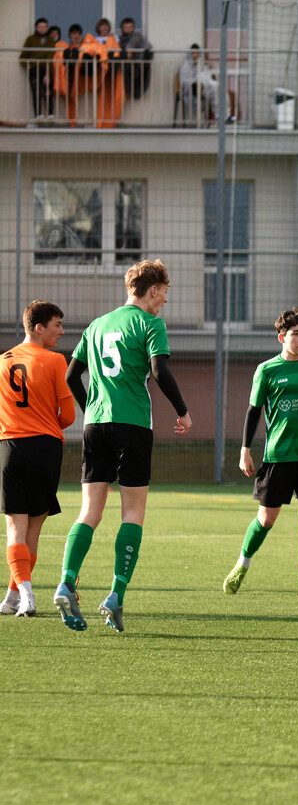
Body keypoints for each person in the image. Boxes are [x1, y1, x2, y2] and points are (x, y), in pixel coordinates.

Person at [54, 260, 192, 633]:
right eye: (164, 291)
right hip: (132, 426)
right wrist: (182, 411)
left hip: (95, 426)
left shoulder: (97, 325)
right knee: (132, 511)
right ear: (151, 290)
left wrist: (93, 411)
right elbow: (160, 371)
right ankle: (115, 595)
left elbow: (71, 375)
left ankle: (67, 581)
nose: (165, 299)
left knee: (89, 511)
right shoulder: (150, 324)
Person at [223, 306, 298, 597]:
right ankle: (242, 565)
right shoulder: (267, 370)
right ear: (281, 337)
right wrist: (245, 450)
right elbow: (253, 411)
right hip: (278, 457)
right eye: (296, 334)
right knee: (266, 520)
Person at [0, 302, 76, 618]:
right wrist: (44, 426)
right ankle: (25, 596)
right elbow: (69, 415)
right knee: (33, 530)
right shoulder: (56, 361)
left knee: (15, 528)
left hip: (8, 447)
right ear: (38, 328)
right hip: (45, 449)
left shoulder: (2, 361)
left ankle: (14, 596)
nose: (61, 330)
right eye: (57, 324)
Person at [179, 45, 232, 124]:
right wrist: (197, 84)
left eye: (197, 53)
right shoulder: (185, 67)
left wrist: (203, 83)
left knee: (220, 88)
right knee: (215, 89)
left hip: (206, 89)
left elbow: (207, 77)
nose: (195, 55)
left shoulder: (203, 66)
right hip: (193, 94)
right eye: (193, 53)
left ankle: (225, 115)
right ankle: (221, 116)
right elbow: (185, 83)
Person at [19, 17, 56, 120]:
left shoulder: (50, 40)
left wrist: (48, 74)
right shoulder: (30, 39)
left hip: (46, 68)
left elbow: (50, 56)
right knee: (36, 91)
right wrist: (28, 66)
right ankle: (38, 115)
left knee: (48, 91)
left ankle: (50, 114)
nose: (42, 29)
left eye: (44, 27)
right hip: (34, 69)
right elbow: (22, 57)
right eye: (40, 27)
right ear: (36, 28)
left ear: (47, 28)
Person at [93, 18, 124, 127]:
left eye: (106, 25)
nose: (104, 28)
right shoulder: (95, 39)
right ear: (98, 27)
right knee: (102, 97)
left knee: (115, 96)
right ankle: (102, 122)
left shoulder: (113, 38)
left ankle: (111, 122)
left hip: (113, 70)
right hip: (101, 70)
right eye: (102, 26)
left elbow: (118, 50)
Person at [118, 17, 153, 99]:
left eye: (130, 27)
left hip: (139, 65)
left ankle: (145, 60)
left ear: (133, 28)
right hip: (128, 67)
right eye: (126, 27)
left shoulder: (137, 36)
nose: (128, 29)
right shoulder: (119, 40)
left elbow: (135, 42)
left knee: (147, 46)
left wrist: (129, 50)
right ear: (122, 28)